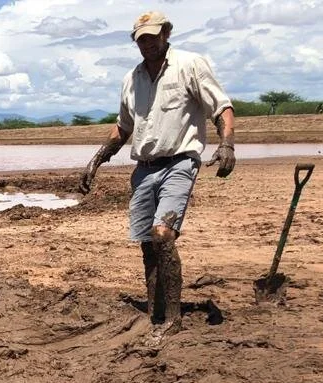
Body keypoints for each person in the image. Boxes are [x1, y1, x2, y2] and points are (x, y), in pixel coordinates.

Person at [78, 11, 235, 344]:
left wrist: (227, 145)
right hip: (144, 169)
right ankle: (155, 311)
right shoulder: (131, 79)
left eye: (153, 36)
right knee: (148, 245)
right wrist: (95, 161)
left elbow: (221, 107)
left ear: (166, 33)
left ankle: (174, 320)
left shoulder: (190, 65)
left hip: (180, 162)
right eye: (141, 39)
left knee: (163, 234)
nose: (147, 43)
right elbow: (123, 128)